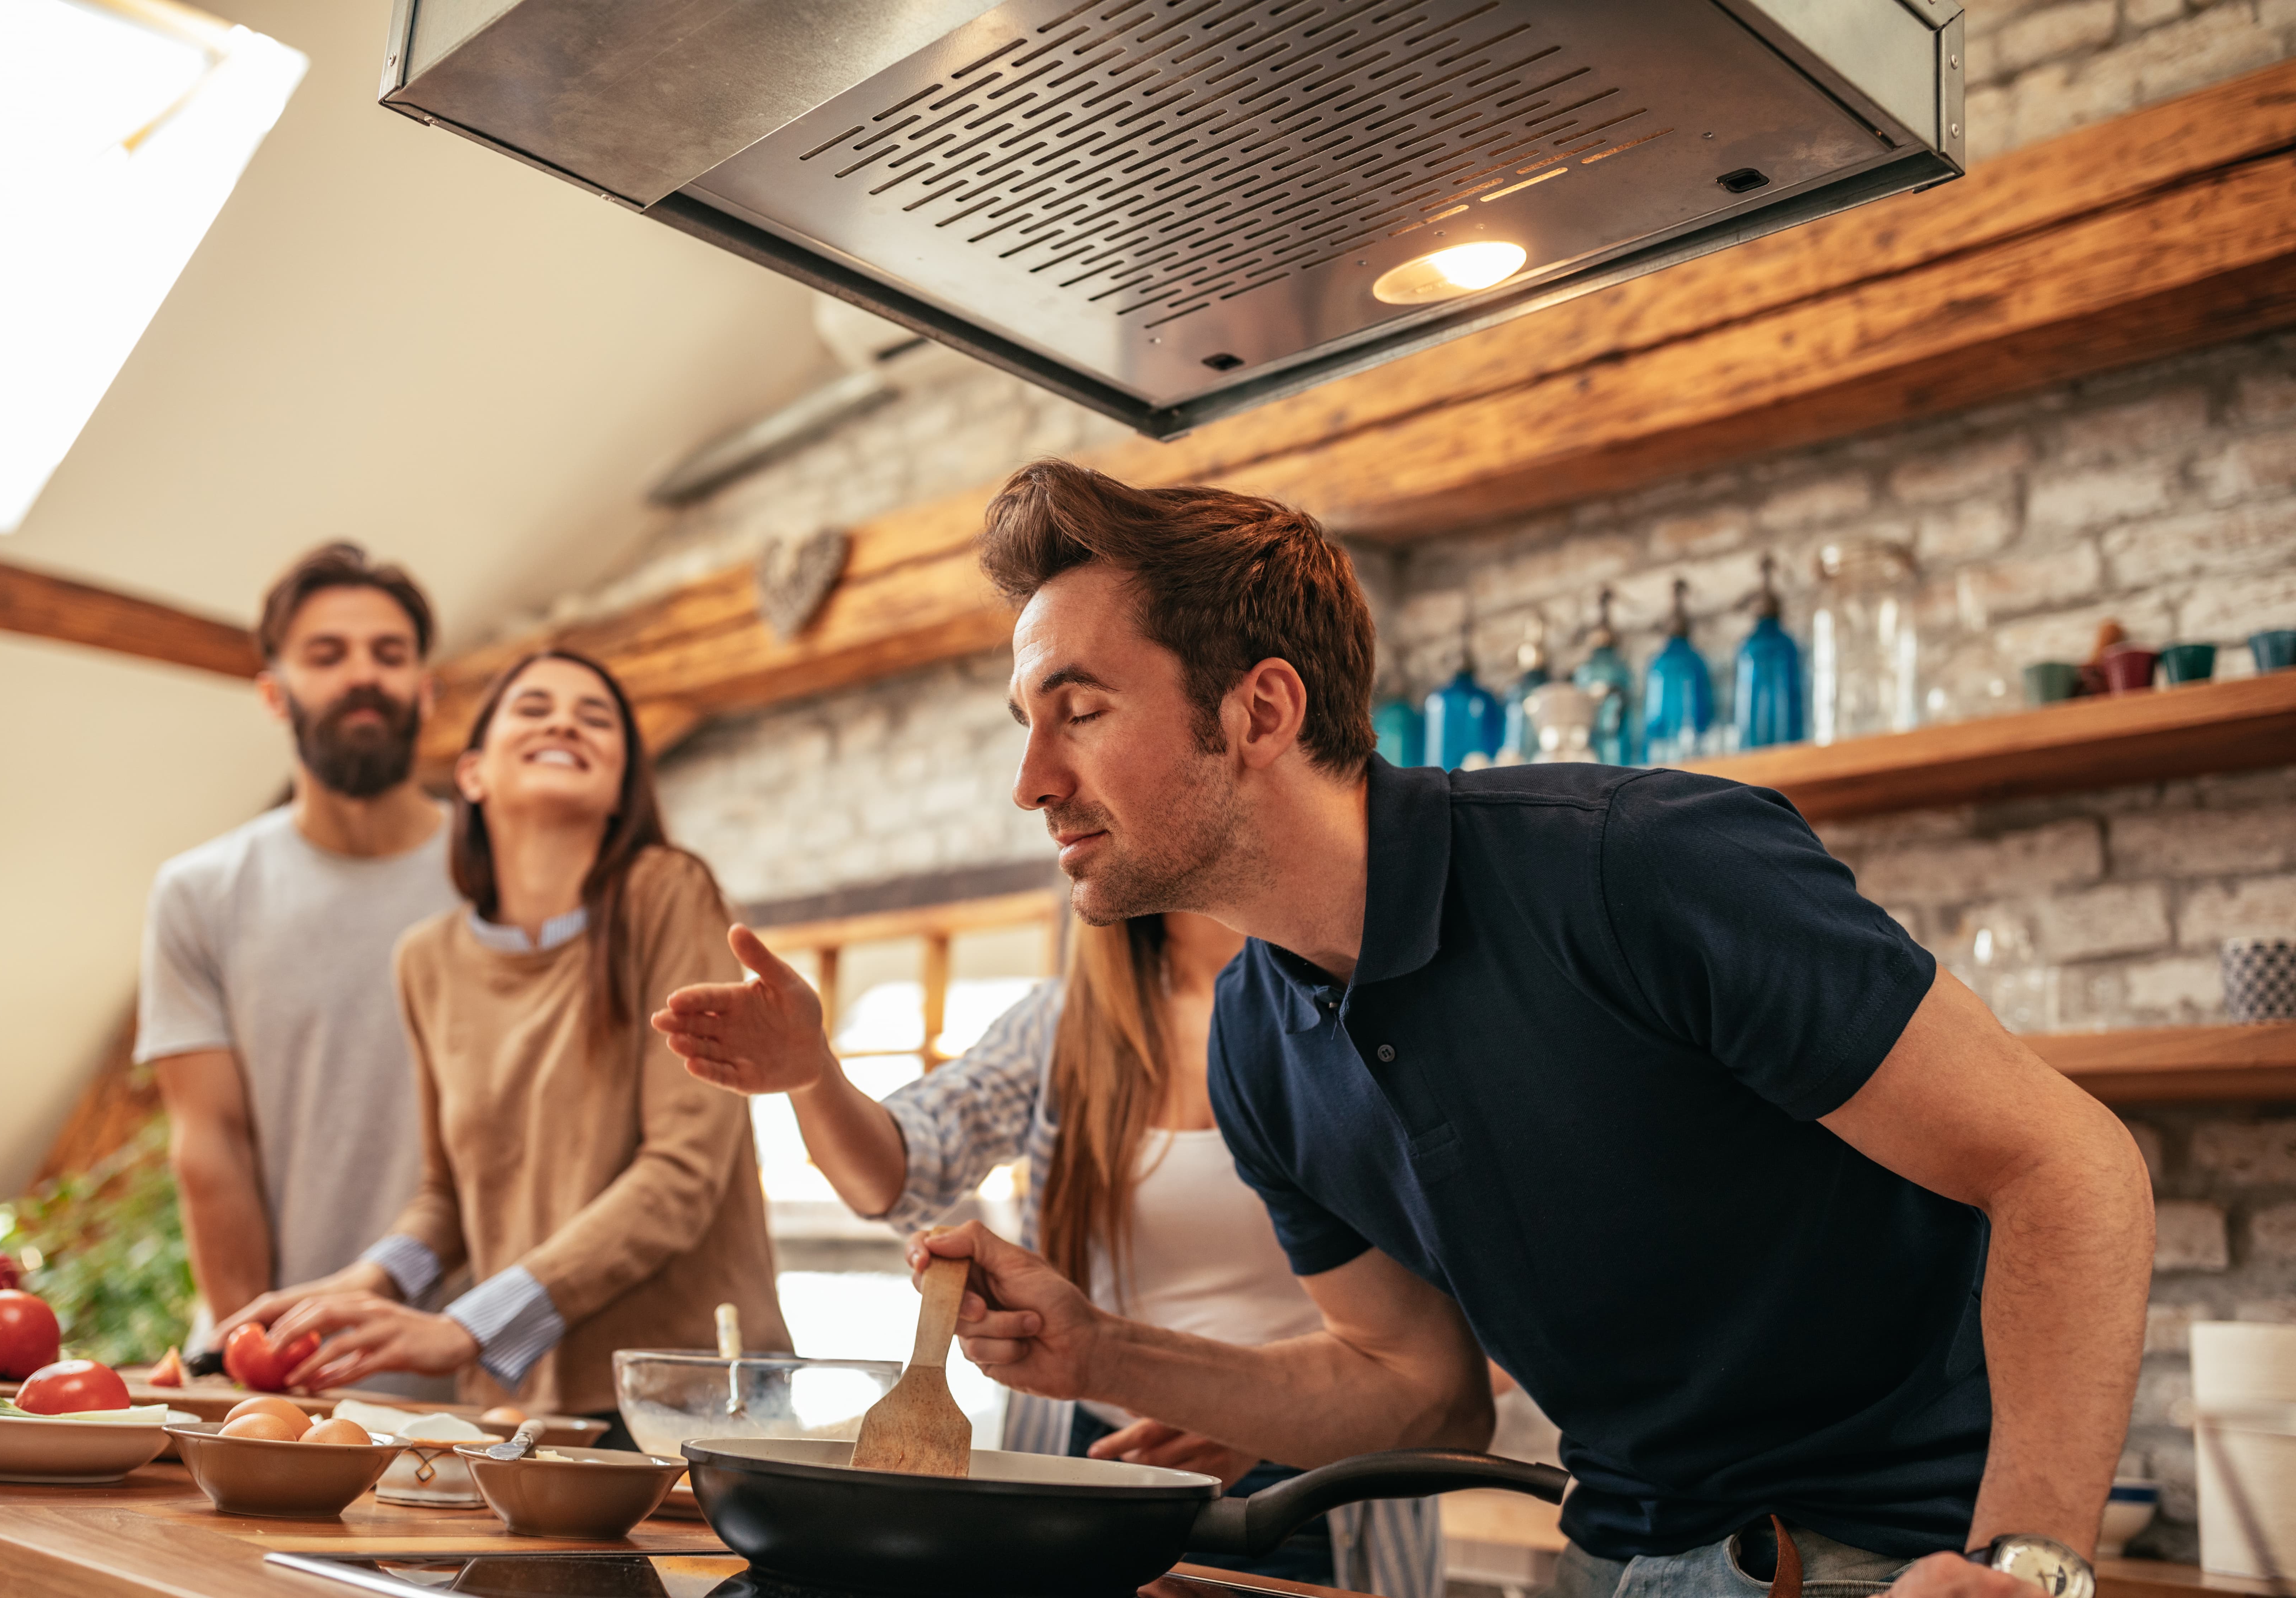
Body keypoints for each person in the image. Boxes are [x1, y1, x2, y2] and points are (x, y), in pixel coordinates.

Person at [656, 462, 2155, 1598]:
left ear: (1260, 709)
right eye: (1023, 722)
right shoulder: (1260, 1029)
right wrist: (1097, 1345)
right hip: (1629, 1561)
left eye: (1081, 708)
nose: (1031, 777)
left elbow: (2069, 1164)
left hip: (1898, 1558)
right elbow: (1412, 1386)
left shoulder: (1636, 865)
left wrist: (2029, 1562)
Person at [662, 911, 1444, 1598]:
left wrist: (1258, 1415)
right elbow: (903, 1172)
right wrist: (814, 1074)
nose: (1042, 790)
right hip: (1090, 1472)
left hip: (1322, 1482)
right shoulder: (1062, 1023)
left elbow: (1478, 1326)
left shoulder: (1368, 1008)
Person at [223, 650, 788, 1429]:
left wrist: (467, 1327)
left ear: (624, 783)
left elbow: (682, 1172)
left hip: (694, 1398)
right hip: (515, 1409)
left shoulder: (668, 892)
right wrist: (371, 1279)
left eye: (596, 718)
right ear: (473, 774)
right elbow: (447, 1196)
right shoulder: (426, 958)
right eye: (533, 708)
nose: (564, 722)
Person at [139, 544, 458, 1378]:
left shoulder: (510, 878)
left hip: (487, 1370)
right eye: (329, 654)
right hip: (298, 1369)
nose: (364, 674)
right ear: (275, 692)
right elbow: (212, 1141)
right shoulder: (200, 891)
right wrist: (259, 1355)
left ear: (426, 688)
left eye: (390, 654)